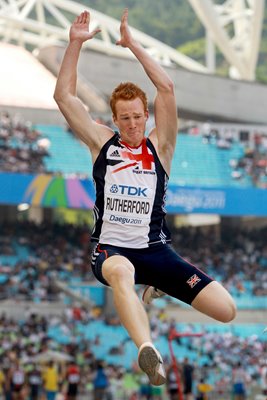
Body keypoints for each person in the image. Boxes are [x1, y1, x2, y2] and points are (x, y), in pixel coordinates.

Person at [54, 7, 236, 387]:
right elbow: (64, 96)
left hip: (155, 250)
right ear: (115, 120)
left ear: (145, 114)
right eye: (125, 118)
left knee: (227, 310)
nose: (133, 124)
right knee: (122, 272)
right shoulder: (102, 143)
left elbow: (167, 88)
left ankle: (156, 286)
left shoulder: (161, 148)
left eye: (138, 117)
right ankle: (146, 351)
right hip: (111, 251)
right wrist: (75, 44)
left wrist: (133, 44)